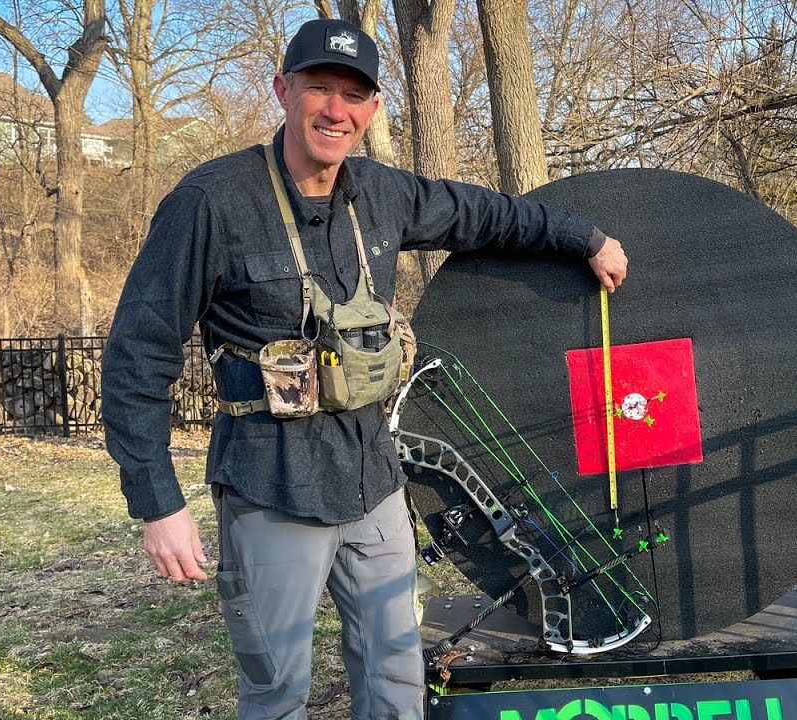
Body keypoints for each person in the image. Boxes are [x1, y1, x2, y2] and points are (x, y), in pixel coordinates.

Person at [101, 17, 627, 720]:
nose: (335, 109)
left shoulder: (382, 194)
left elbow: (486, 214)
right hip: (271, 484)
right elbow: (138, 354)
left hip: (373, 481)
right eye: (319, 87)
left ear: (374, 110)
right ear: (283, 90)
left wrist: (583, 238)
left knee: (395, 678)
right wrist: (157, 502)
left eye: (354, 95)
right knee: (278, 690)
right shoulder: (211, 203)